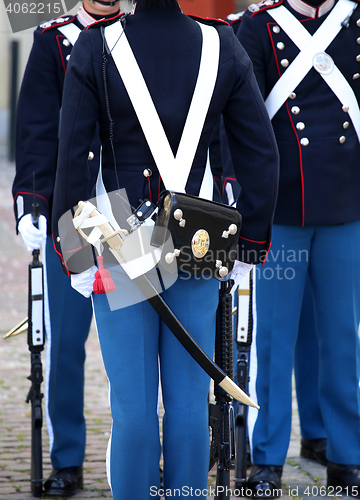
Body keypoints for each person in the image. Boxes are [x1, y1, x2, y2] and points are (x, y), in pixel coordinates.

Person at [51, 0, 279, 498]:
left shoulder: (96, 44)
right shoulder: (223, 44)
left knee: (132, 406)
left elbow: (71, 157)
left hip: (118, 245)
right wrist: (249, 245)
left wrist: (74, 254)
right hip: (197, 244)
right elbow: (262, 154)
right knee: (188, 405)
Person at [236, 0, 360, 495]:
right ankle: (267, 458)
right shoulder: (258, 25)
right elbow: (242, 117)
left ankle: (346, 455)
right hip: (281, 210)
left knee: (341, 340)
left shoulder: (354, 19)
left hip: (344, 207)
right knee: (274, 340)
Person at [11, 0, 125, 495]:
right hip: (72, 214)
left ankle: (139, 454)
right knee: (65, 344)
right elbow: (37, 130)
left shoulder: (142, 34)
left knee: (140, 344)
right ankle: (68, 459)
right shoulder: (51, 39)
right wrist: (31, 202)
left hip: (128, 212)